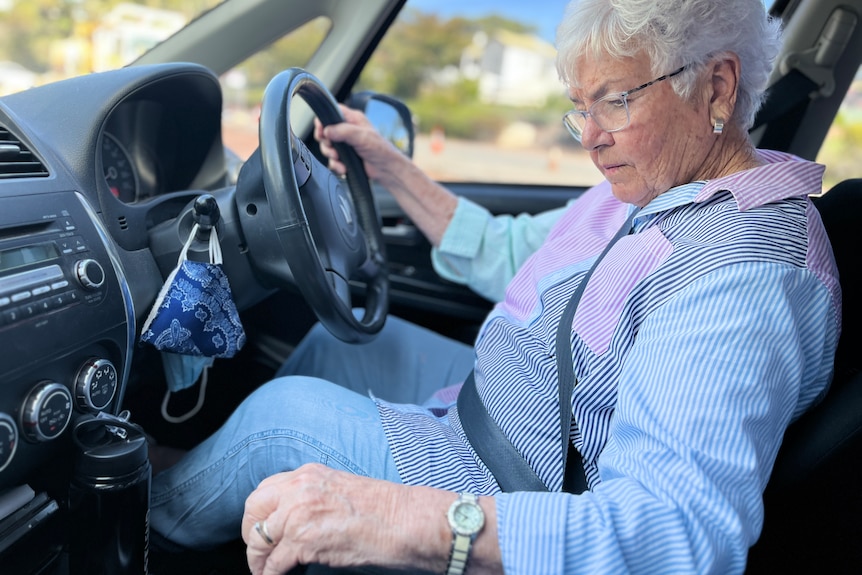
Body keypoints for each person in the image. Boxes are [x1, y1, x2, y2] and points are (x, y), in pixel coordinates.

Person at [149, 0, 841, 573]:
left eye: (616, 101)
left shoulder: (744, 275)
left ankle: (151, 513)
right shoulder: (660, 184)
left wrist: (396, 517)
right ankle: (207, 477)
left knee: (281, 417)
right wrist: (388, 166)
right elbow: (513, 253)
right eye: (580, 107)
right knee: (340, 345)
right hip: (488, 403)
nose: (590, 138)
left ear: (716, 87)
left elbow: (675, 534)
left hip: (517, 482)